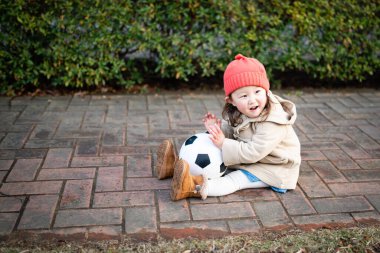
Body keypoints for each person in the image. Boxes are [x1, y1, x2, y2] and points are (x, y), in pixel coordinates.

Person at [156, 54, 301, 201]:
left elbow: (253, 152)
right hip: (253, 158)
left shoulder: (273, 122)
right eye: (244, 96)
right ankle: (175, 166)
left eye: (257, 91)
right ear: (231, 101)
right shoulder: (244, 111)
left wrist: (223, 143)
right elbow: (236, 131)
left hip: (273, 168)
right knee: (213, 150)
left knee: (234, 179)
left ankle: (191, 187)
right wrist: (218, 130)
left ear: (266, 90)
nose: (252, 100)